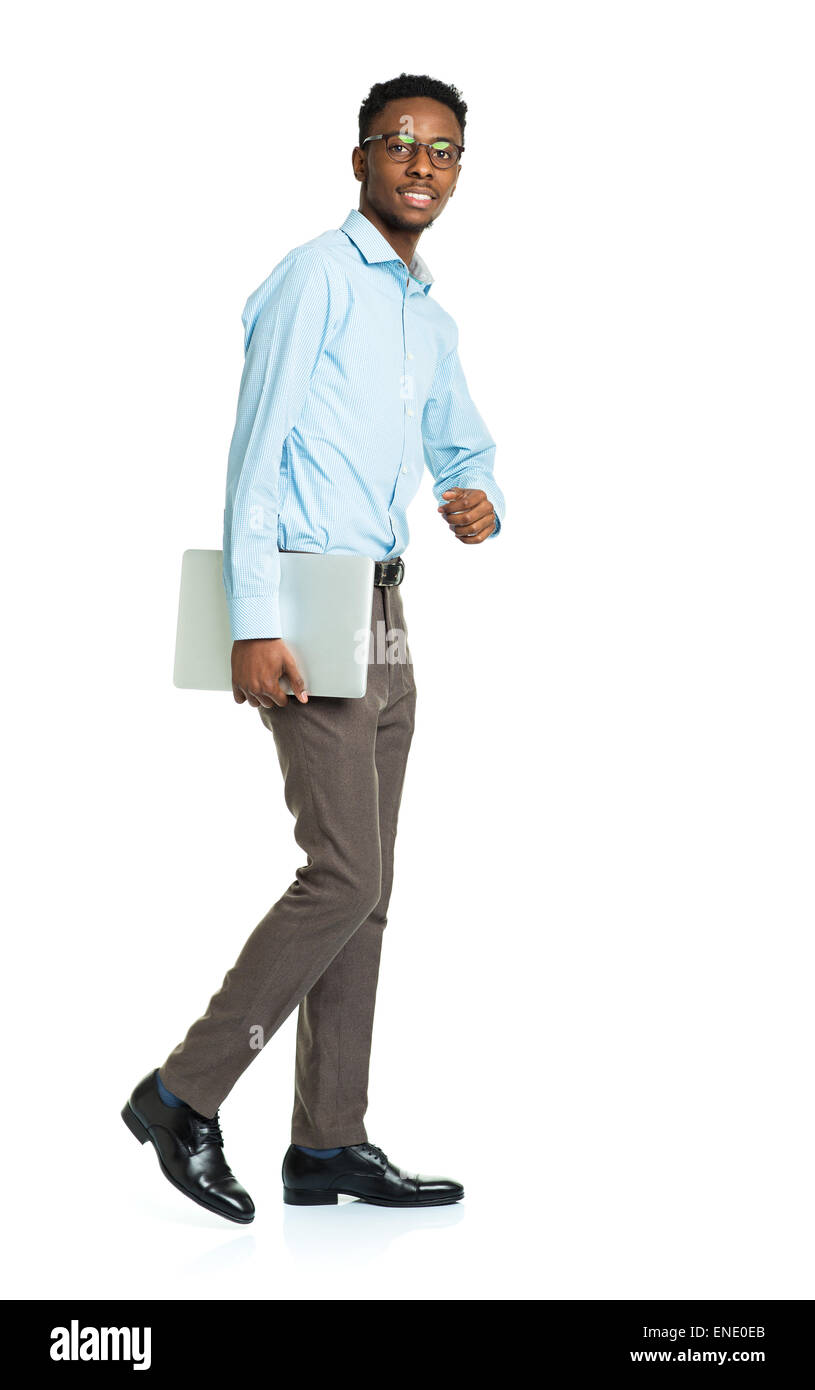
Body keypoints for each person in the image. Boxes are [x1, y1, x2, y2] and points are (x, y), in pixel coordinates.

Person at [122, 72, 506, 1220]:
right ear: (358, 159)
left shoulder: (426, 319)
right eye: (399, 144)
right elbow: (255, 454)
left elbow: (462, 442)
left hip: (387, 614)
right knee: (342, 872)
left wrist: (474, 491)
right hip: (304, 601)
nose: (420, 166)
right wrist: (251, 619)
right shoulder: (311, 281)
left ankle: (328, 1139)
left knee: (368, 890)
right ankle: (184, 1092)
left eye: (442, 152)